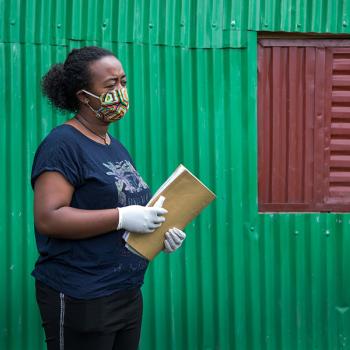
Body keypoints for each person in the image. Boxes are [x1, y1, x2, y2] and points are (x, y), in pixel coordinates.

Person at [31, 46, 186, 350]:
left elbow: (127, 211)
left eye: (123, 83)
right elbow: (49, 217)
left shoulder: (114, 145)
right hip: (80, 294)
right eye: (110, 85)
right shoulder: (62, 144)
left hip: (125, 292)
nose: (120, 91)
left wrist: (160, 234)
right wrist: (122, 217)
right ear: (83, 95)